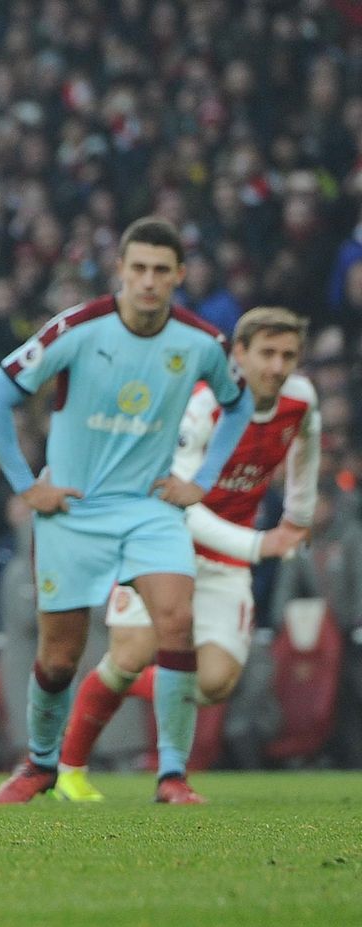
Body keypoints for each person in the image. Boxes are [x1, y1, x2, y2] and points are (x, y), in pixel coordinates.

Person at [0, 217, 254, 805]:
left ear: (178, 275)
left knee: (176, 622)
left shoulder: (201, 342)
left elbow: (240, 401)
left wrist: (201, 479)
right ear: (121, 272)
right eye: (139, 269)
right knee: (61, 655)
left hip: (149, 509)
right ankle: (40, 766)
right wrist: (27, 485)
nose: (149, 281)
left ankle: (172, 776)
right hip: (72, 511)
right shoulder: (77, 329)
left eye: (160, 271)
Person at [55, 307, 318, 800]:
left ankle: (109, 696)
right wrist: (262, 543)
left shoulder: (300, 400)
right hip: (161, 542)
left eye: (288, 355)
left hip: (227, 559)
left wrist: (299, 516)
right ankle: (68, 769)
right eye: (267, 353)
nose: (278, 366)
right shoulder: (202, 406)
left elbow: (309, 444)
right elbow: (178, 502)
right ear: (238, 355)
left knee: (214, 684)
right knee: (131, 654)